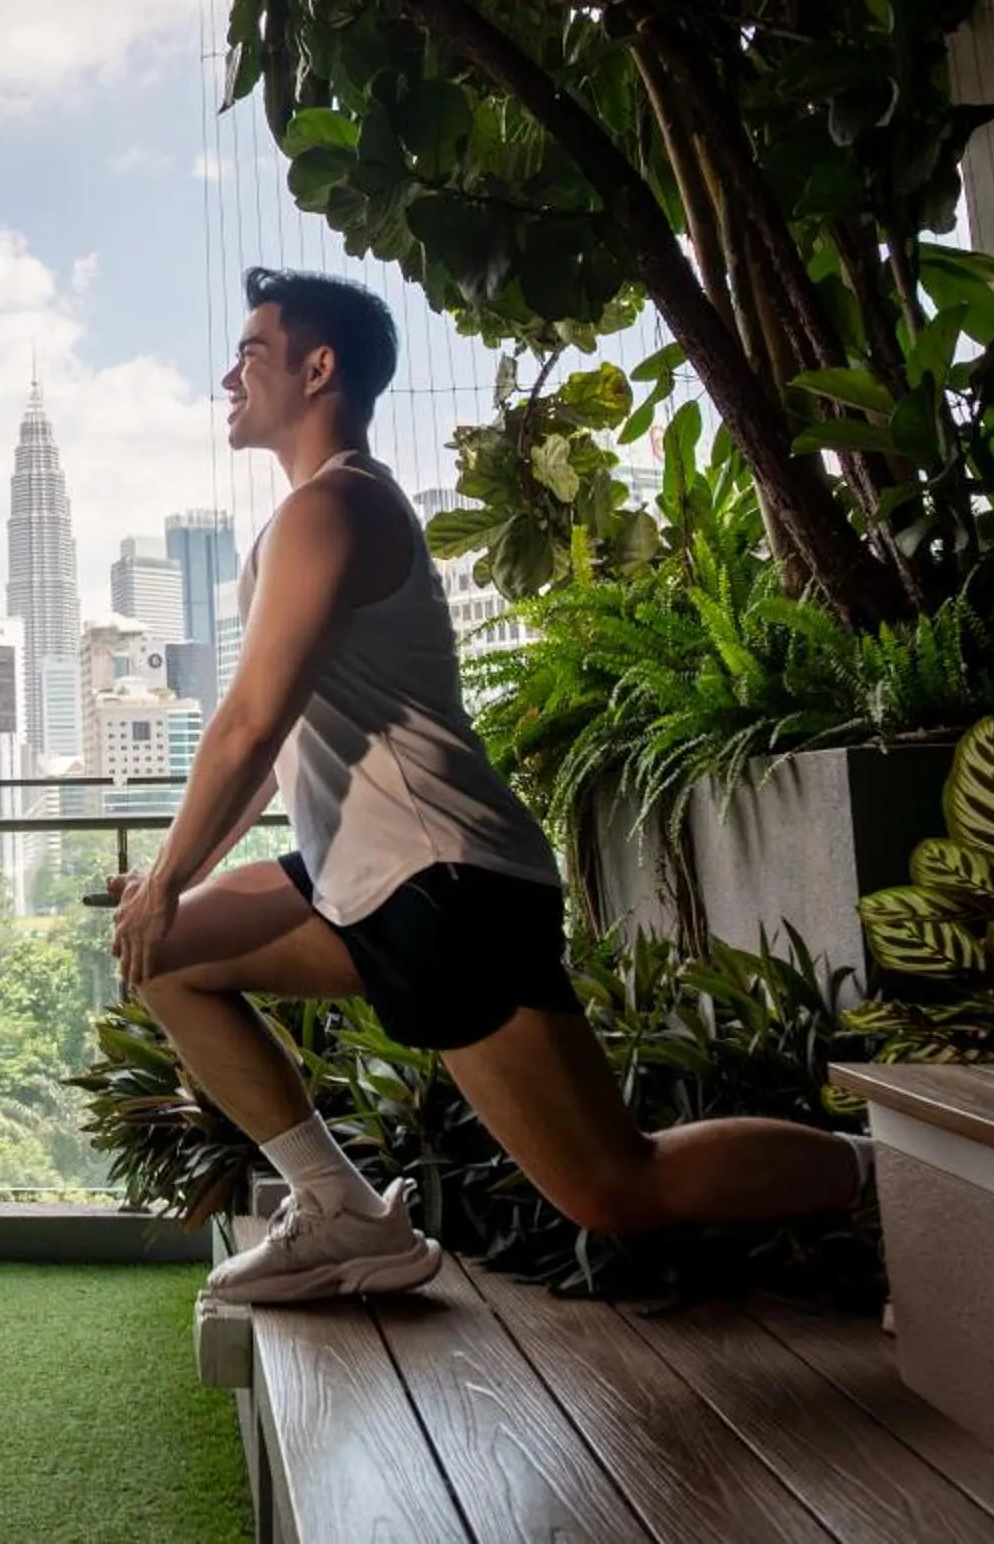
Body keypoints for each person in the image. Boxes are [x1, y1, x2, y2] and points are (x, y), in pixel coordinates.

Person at [108, 268, 870, 1304]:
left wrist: (165, 879)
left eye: (251, 353)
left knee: (613, 1184)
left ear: (318, 367)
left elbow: (245, 730)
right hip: (369, 879)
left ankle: (897, 1184)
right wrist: (165, 888)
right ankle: (339, 1211)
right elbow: (265, 748)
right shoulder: (306, 521)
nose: (229, 377)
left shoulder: (336, 509)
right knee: (168, 954)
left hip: (445, 884)